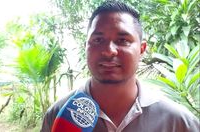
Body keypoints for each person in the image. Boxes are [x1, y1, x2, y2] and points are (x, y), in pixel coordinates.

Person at [41, 1, 199, 131]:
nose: (109, 51)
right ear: (86, 46)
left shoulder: (178, 122)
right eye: (98, 40)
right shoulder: (56, 116)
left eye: (123, 40)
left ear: (142, 49)